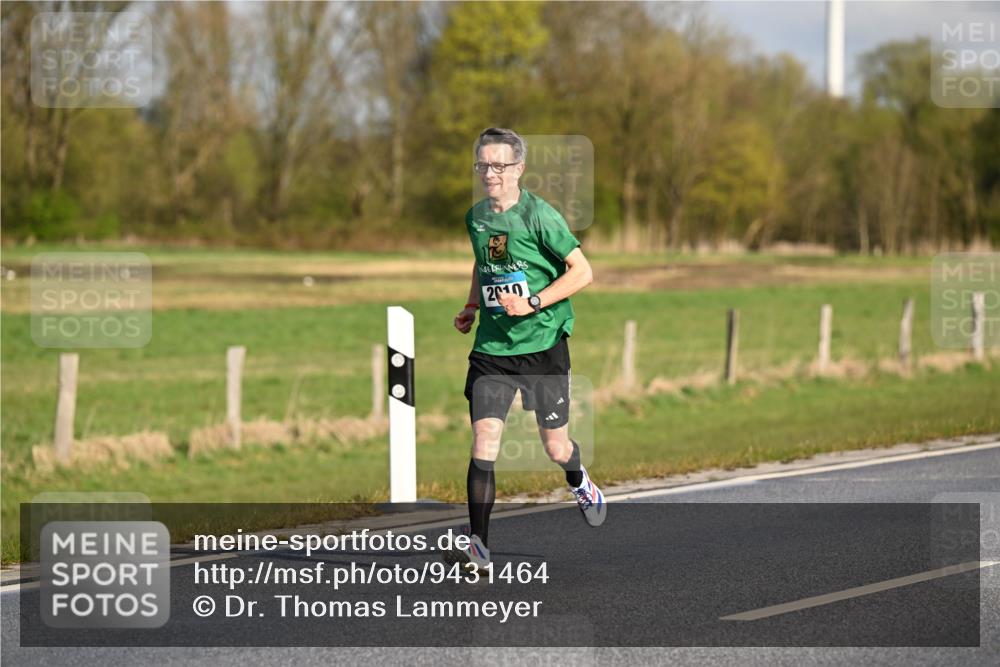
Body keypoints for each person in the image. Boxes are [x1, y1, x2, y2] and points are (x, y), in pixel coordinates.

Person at [445, 128, 606, 573]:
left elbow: (583, 272)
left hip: (543, 346)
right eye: (482, 165)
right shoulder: (476, 217)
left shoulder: (541, 216)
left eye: (499, 165)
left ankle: (578, 480)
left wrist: (533, 302)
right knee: (484, 439)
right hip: (493, 348)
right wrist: (472, 305)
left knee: (555, 448)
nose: (489, 173)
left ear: (519, 169)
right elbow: (484, 261)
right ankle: (478, 546)